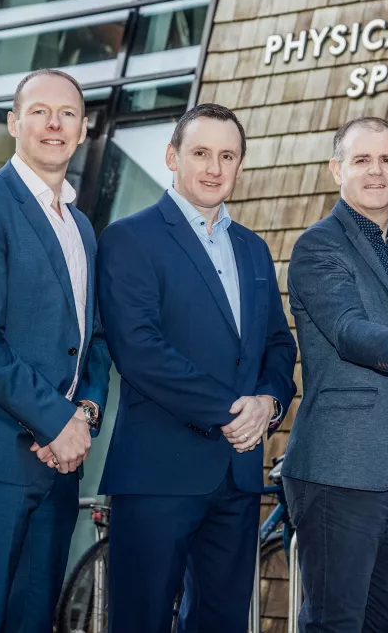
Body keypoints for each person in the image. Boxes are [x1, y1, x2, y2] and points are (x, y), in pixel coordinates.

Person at [97, 103, 297, 633]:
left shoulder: (253, 249)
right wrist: (233, 411)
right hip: (158, 472)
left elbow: (278, 344)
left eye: (227, 156)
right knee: (140, 621)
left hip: (237, 477)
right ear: (172, 156)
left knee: (222, 621)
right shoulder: (130, 238)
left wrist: (269, 403)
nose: (214, 167)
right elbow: (140, 350)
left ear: (239, 166)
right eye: (201, 153)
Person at [0, 69, 110, 633]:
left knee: (32, 621)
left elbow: (96, 339)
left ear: (83, 130)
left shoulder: (82, 227)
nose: (54, 124)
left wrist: (84, 417)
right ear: (14, 124)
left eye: (67, 114)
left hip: (59, 462)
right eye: (39, 112)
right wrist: (57, 420)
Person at [282, 117, 388, 633]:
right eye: (362, 160)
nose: (376, 171)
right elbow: (349, 331)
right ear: (337, 169)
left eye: (387, 160)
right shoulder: (319, 246)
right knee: (335, 625)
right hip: (339, 471)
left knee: (382, 626)